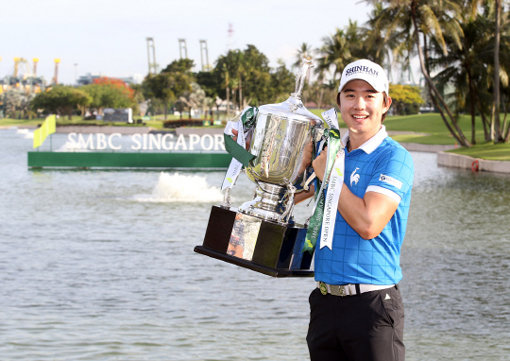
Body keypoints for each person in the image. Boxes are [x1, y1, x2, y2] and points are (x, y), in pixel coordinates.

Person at [302, 59, 414, 361]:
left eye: (369, 95)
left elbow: (368, 223)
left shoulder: (394, 158)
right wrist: (283, 164)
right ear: (339, 102)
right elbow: (292, 195)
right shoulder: (332, 153)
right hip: (325, 304)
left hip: (373, 307)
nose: (359, 104)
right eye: (350, 95)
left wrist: (330, 174)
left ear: (386, 102)